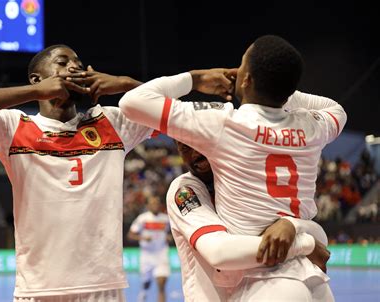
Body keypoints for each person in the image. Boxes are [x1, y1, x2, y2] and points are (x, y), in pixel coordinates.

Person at [119, 35, 346, 300]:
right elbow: (336, 109)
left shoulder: (224, 125)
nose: (192, 151)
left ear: (247, 79)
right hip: (310, 279)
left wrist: (194, 78)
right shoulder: (311, 127)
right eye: (182, 146)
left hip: (268, 283)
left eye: (242, 67)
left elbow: (132, 102)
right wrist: (278, 84)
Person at [0, 44, 154, 301]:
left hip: (102, 287)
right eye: (63, 62)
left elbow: (175, 114)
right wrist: (34, 92)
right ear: (37, 78)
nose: (74, 67)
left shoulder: (112, 122)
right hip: (38, 289)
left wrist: (125, 84)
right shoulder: (13, 127)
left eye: (78, 62)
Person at [169, 141, 329, 301]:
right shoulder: (185, 189)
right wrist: (305, 245)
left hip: (261, 290)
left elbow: (320, 240)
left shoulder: (248, 181)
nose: (195, 154)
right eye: (185, 148)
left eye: (199, 142)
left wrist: (292, 225)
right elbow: (219, 252)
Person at [127, 196, 172, 302]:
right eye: (152, 203)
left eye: (157, 203)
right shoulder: (142, 219)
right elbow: (130, 235)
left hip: (161, 254)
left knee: (161, 284)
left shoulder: (166, 219)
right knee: (146, 282)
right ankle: (144, 291)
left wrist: (169, 237)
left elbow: (172, 233)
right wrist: (142, 237)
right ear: (148, 206)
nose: (155, 205)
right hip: (146, 255)